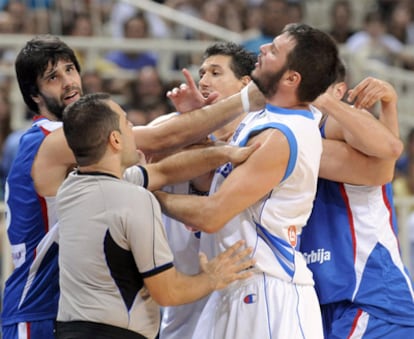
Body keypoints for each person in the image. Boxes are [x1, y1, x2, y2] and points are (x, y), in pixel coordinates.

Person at [1, 34, 265, 339]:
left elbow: (159, 171)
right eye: (53, 77)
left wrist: (221, 149)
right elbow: (158, 140)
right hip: (37, 310)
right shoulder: (52, 139)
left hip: (69, 311)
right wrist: (244, 101)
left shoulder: (91, 173)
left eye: (71, 69)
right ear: (34, 95)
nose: (69, 82)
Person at [154, 23, 340, 338]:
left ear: (291, 78)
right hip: (235, 289)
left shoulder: (283, 135)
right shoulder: (263, 118)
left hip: (267, 292)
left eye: (275, 50)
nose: (263, 48)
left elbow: (211, 215)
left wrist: (144, 190)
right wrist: (197, 124)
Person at [54, 92, 256, 339]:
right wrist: (213, 276)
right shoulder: (135, 199)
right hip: (115, 333)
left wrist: (223, 153)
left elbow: (162, 171)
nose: (133, 129)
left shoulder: (70, 188)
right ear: (115, 140)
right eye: (127, 122)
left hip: (69, 330)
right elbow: (168, 292)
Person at [300, 62, 414, 337]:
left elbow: (389, 148)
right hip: (321, 299)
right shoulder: (287, 131)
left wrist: (389, 103)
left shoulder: (340, 126)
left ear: (338, 91)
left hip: (371, 298)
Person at [158, 41, 257, 339]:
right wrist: (193, 125)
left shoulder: (264, 134)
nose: (204, 81)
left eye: (216, 73)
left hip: (246, 299)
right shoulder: (174, 127)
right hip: (183, 311)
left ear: (246, 84)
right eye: (202, 73)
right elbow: (138, 153)